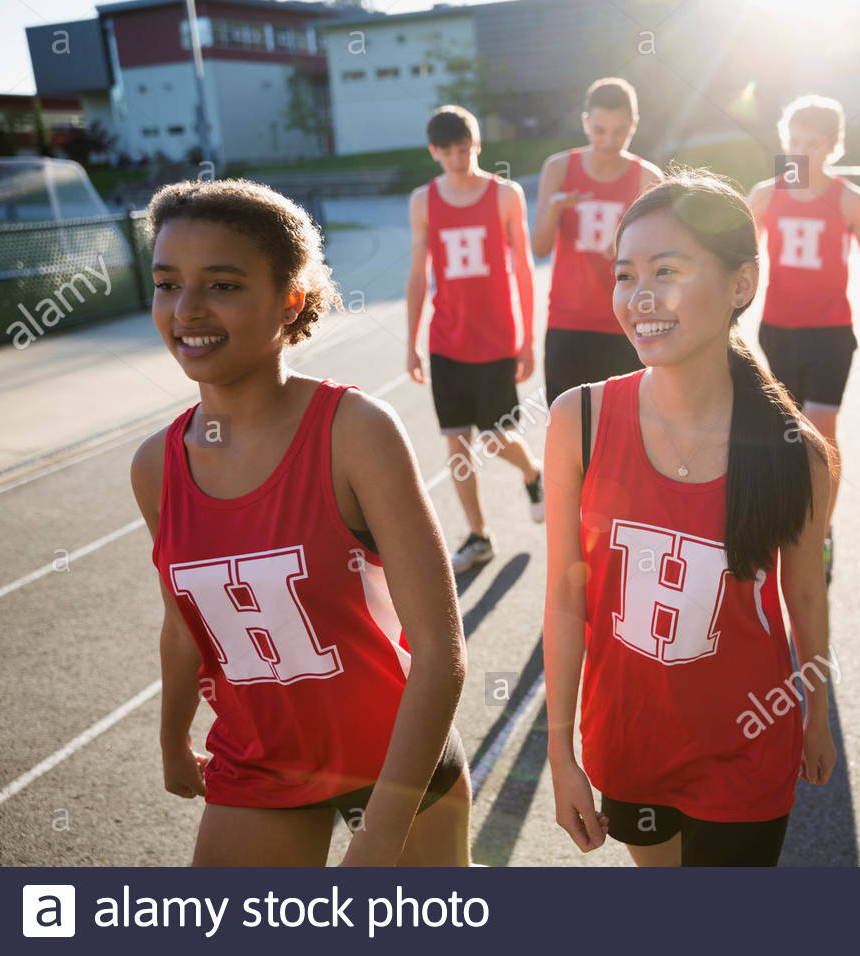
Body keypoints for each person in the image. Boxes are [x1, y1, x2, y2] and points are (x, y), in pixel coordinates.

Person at [131, 179, 471, 866]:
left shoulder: (356, 432)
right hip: (258, 764)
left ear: (290, 300)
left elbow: (440, 652)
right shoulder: (155, 466)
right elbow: (181, 625)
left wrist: (382, 830)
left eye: (222, 285)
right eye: (168, 284)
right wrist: (172, 742)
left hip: (395, 758)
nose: (187, 309)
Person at [543, 168, 837, 867]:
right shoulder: (576, 419)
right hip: (629, 744)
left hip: (746, 745)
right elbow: (564, 593)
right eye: (624, 275)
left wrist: (816, 714)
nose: (640, 297)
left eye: (667, 271)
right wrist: (560, 749)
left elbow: (803, 596)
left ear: (741, 285)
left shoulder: (798, 454)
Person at [747, 94, 860, 583]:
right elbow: (744, 255)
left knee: (820, 430)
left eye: (812, 144)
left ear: (833, 146)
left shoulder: (852, 199)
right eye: (793, 141)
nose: (800, 152)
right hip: (779, 330)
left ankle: (821, 532)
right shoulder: (766, 195)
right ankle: (783, 522)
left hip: (832, 332)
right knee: (786, 434)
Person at [406, 104, 544, 574]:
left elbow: (524, 268)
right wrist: (411, 341)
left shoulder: (505, 195)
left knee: (493, 437)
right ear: (434, 152)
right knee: (456, 440)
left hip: (496, 339)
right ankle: (479, 536)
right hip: (447, 339)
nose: (458, 160)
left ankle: (532, 472)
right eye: (448, 153)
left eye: (464, 150)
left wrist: (527, 339)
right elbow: (418, 274)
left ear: (477, 144)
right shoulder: (423, 201)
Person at [533, 77, 663, 404]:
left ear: (633, 126)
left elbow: (663, 257)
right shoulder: (559, 167)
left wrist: (627, 249)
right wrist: (554, 210)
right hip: (567, 320)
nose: (608, 140)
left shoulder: (648, 178)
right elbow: (540, 248)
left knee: (624, 429)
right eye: (599, 129)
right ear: (585, 122)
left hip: (625, 322)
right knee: (568, 429)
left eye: (619, 131)